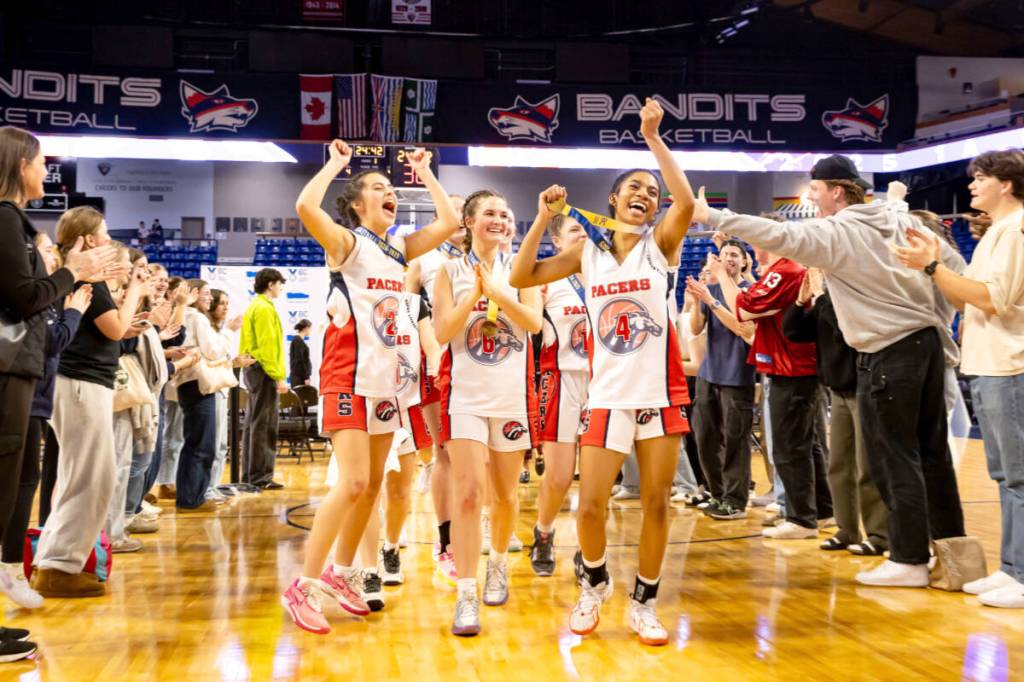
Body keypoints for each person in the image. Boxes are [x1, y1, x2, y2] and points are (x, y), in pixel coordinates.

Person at [692, 154, 967, 587]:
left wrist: (713, 215)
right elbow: (956, 273)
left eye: (816, 191)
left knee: (894, 457)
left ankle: (909, 558)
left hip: (886, 350)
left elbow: (778, 234)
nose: (812, 200)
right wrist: (934, 320)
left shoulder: (838, 231)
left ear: (837, 191)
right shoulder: (901, 220)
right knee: (933, 455)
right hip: (928, 346)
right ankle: (956, 559)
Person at [510, 98, 695, 646]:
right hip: (607, 394)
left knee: (657, 503)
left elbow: (685, 201)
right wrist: (542, 218)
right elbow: (521, 276)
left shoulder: (661, 246)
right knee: (590, 505)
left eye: (652, 192)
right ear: (613, 199)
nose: (646, 195)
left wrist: (653, 138)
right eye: (634, 187)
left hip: (659, 393)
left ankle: (645, 601)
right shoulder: (586, 255)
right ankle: (594, 583)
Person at [281, 140, 459, 635]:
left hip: (386, 384)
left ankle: (342, 574)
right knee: (355, 482)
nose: (390, 193)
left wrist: (425, 172)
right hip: (347, 377)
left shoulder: (398, 250)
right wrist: (336, 165)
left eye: (391, 188)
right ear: (358, 205)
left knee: (374, 485)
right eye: (379, 188)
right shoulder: (348, 243)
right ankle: (304, 586)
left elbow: (449, 223)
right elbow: (305, 206)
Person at [893, 150, 1024, 608]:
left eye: (981, 177)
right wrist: (935, 266)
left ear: (1006, 184)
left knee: (1019, 476)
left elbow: (990, 300)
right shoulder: (996, 232)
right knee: (1004, 474)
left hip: (1010, 364)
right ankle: (1011, 568)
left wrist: (933, 266)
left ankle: (1023, 573)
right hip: (989, 364)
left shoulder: (1015, 230)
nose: (972, 185)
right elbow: (967, 299)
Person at [433, 189, 542, 635]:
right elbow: (442, 332)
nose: (499, 220)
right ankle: (466, 592)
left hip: (511, 397)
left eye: (505, 214)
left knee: (505, 495)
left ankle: (497, 564)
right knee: (468, 494)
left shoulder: (523, 270)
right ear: (469, 221)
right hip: (466, 398)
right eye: (490, 213)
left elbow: (534, 323)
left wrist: (498, 293)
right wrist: (474, 296)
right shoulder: (448, 270)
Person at [31, 207, 147, 599]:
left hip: (78, 382)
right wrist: (135, 292)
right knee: (91, 477)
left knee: (78, 476)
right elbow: (114, 329)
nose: (110, 238)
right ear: (90, 239)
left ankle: (53, 560)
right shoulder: (87, 280)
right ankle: (59, 565)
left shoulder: (82, 278)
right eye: (106, 232)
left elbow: (110, 330)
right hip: (81, 383)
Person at [707, 240, 827, 538]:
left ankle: (801, 519)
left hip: (791, 368)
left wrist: (721, 275)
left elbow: (743, 309)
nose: (754, 248)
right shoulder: (785, 269)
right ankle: (823, 511)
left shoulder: (784, 270)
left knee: (789, 446)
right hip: (795, 367)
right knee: (806, 444)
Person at [0, 233, 89, 609]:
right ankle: (11, 569)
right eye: (46, 249)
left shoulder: (48, 297)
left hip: (37, 399)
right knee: (19, 486)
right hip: (25, 397)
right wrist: (75, 313)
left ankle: (12, 569)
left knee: (25, 484)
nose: (52, 255)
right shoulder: (36, 297)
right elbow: (53, 342)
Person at [782, 268, 888, 555]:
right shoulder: (826, 302)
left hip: (863, 388)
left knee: (867, 466)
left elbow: (843, 331)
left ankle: (879, 535)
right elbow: (793, 331)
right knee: (839, 466)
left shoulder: (855, 295)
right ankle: (846, 530)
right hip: (838, 390)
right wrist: (800, 302)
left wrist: (819, 296)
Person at [404, 194, 465, 583]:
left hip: (483, 363)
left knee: (482, 457)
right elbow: (404, 310)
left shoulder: (490, 258)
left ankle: (477, 524)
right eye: (453, 211)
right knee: (445, 452)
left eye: (464, 210)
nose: (460, 217)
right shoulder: (423, 259)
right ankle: (446, 541)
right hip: (438, 361)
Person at [529, 213, 588, 577]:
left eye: (585, 229)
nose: (583, 235)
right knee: (560, 476)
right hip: (561, 379)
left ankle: (589, 551)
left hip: (603, 382)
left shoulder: (605, 274)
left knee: (596, 480)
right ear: (557, 242)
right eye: (574, 230)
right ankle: (544, 531)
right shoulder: (547, 280)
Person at [684, 238, 757, 520]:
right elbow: (696, 328)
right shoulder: (711, 291)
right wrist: (695, 303)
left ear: (745, 261)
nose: (728, 258)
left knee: (735, 441)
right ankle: (717, 493)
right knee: (704, 437)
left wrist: (710, 301)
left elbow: (742, 327)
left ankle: (735, 500)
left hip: (737, 375)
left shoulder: (750, 291)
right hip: (709, 373)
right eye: (724, 254)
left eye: (735, 254)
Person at [239, 268, 288, 490]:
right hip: (263, 370)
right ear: (271, 284)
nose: (281, 288)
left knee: (254, 423)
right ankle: (260, 477)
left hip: (254, 368)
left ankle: (252, 475)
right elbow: (268, 346)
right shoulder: (264, 308)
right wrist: (278, 376)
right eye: (279, 284)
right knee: (264, 424)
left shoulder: (255, 306)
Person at [289, 319, 313, 388]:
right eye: (310, 329)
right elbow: (300, 360)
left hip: (300, 376)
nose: (311, 331)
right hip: (299, 377)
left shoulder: (299, 340)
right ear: (306, 328)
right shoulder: (297, 340)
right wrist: (306, 377)